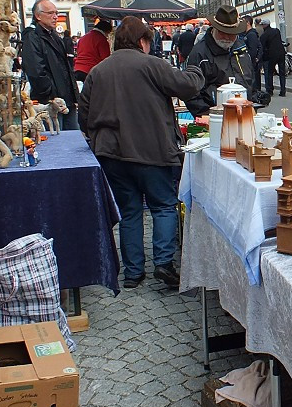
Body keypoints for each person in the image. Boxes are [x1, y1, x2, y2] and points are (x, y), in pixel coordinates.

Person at [79, 17, 205, 291]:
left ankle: (133, 274)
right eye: (149, 40)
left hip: (111, 154)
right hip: (151, 151)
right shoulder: (152, 64)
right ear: (142, 41)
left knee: (130, 211)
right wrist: (196, 68)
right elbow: (188, 85)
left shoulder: (98, 71)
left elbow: (84, 116)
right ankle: (163, 263)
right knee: (162, 206)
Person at [183, 5, 256, 118]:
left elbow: (248, 78)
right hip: (216, 118)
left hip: (245, 114)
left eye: (231, 33)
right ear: (215, 28)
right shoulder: (199, 53)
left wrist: (255, 96)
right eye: (223, 32)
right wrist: (208, 116)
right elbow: (190, 92)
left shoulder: (241, 47)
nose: (227, 37)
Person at [21, 0, 80, 130]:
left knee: (72, 139)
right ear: (38, 16)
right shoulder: (32, 37)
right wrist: (50, 94)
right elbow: (36, 71)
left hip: (66, 100)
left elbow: (65, 68)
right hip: (51, 102)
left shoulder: (54, 36)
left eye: (56, 13)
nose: (55, 17)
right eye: (50, 13)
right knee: (56, 139)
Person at [74, 17, 112, 83]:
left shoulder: (83, 38)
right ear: (106, 31)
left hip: (78, 69)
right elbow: (105, 59)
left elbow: (78, 52)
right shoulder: (101, 39)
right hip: (91, 71)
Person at [260, 18, 286, 97]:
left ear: (264, 25)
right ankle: (283, 90)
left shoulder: (264, 35)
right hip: (281, 53)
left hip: (271, 55)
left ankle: (270, 90)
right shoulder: (276, 31)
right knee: (282, 73)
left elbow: (262, 46)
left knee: (270, 73)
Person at [244, 19, 263, 92]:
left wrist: (254, 58)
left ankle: (256, 93)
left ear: (248, 23)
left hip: (251, 62)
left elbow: (253, 49)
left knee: (254, 79)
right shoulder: (248, 34)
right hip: (252, 61)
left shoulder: (251, 34)